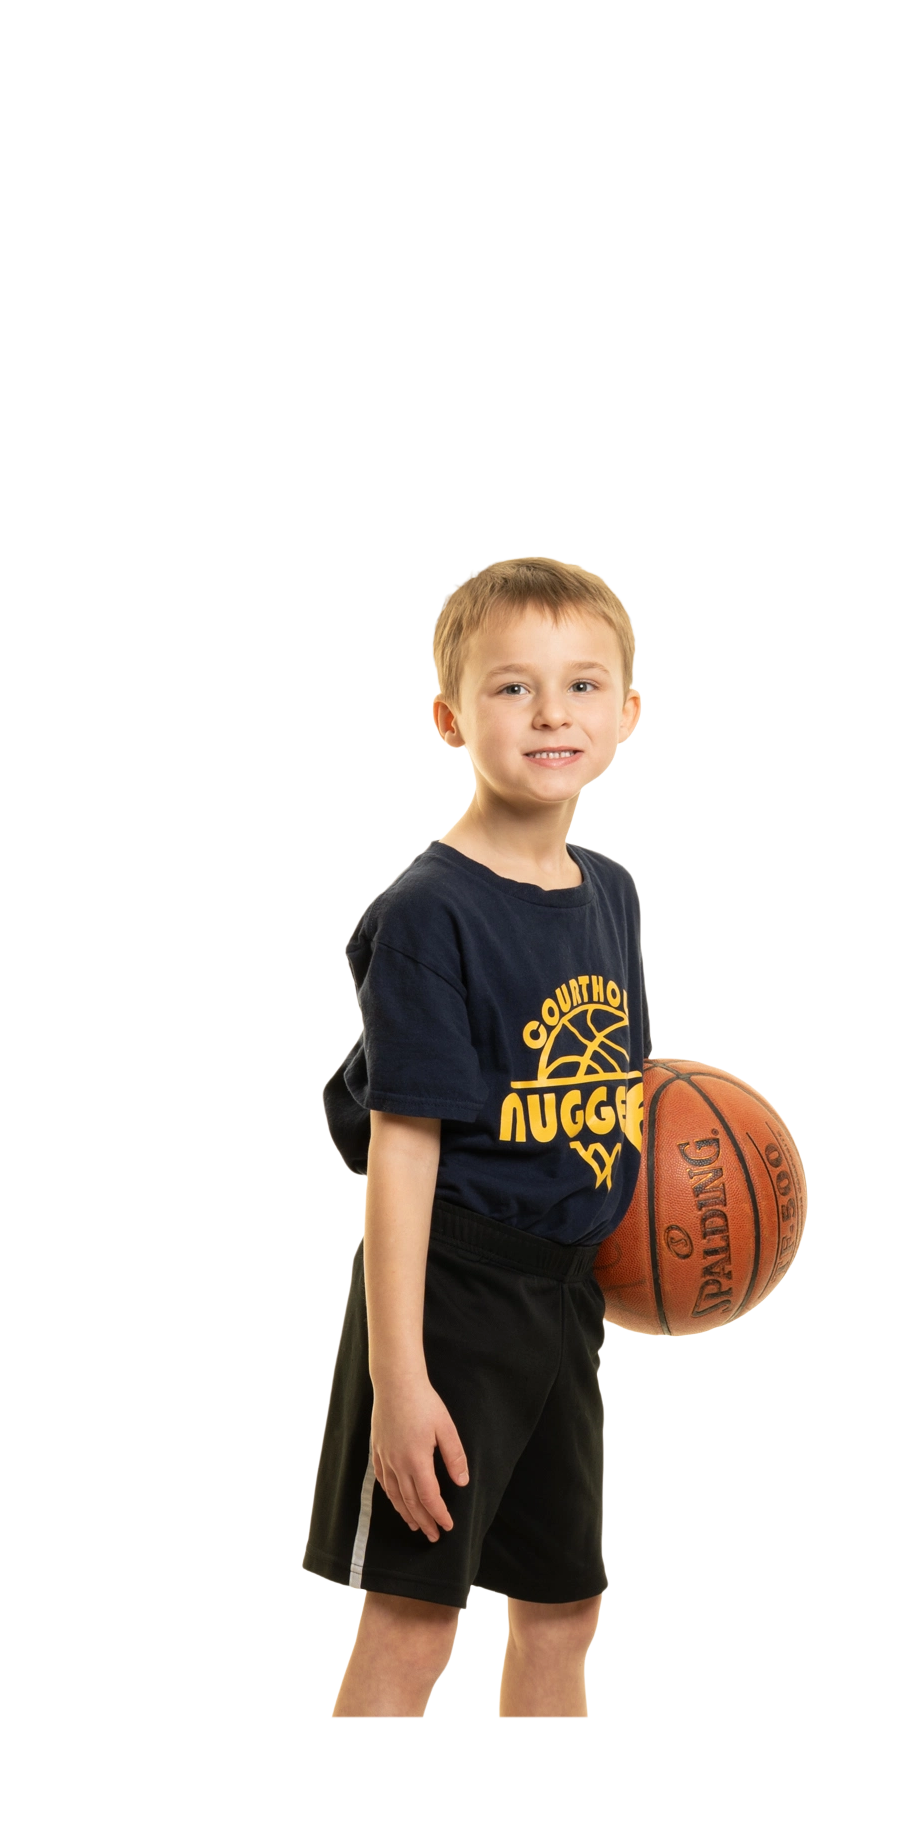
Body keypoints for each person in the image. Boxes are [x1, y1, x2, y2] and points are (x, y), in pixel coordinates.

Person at [303, 556, 651, 1718]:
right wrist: (399, 1381)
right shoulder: (428, 914)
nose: (552, 712)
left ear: (626, 711)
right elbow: (402, 1153)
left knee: (561, 1610)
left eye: (582, 684)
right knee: (414, 1626)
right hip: (448, 1304)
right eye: (512, 686)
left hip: (563, 1303)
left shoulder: (610, 893)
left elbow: (622, 1097)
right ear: (450, 717)